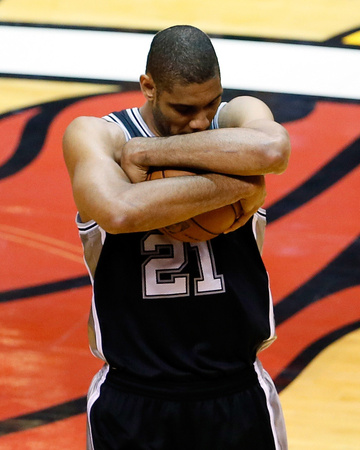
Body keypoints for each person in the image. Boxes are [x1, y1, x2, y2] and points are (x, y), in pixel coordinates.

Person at [63, 25, 291, 450]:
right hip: (133, 396)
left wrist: (145, 155)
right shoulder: (98, 134)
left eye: (211, 102)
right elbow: (118, 210)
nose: (202, 121)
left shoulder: (238, 115)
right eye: (184, 108)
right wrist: (242, 187)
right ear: (148, 87)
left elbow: (273, 151)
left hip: (236, 390)